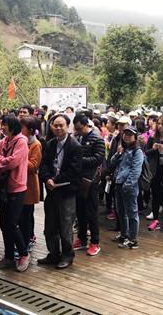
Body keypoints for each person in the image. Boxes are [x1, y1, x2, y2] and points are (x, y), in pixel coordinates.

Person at [38, 114, 82, 268]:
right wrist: (47, 178)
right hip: (51, 191)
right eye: (55, 125)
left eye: (61, 125)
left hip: (66, 191)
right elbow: (42, 165)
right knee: (50, 225)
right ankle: (53, 254)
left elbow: (74, 170)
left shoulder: (75, 146)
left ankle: (67, 256)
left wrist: (54, 180)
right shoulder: (49, 144)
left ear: (68, 126)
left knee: (65, 225)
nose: (58, 128)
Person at [0, 115, 30, 272]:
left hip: (17, 187)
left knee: (12, 223)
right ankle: (8, 256)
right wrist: (3, 161)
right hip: (3, 188)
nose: (2, 127)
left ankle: (23, 253)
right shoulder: (3, 141)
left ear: (12, 125)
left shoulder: (21, 142)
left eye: (5, 124)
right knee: (3, 224)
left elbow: (13, 161)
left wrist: (1, 161)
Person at [72, 114, 105, 256]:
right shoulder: (78, 138)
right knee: (80, 212)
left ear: (86, 125)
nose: (77, 131)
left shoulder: (97, 139)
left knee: (91, 212)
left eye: (79, 128)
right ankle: (82, 238)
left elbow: (98, 159)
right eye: (76, 128)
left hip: (90, 181)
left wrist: (79, 160)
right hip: (79, 180)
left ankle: (95, 242)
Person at [110, 126, 144, 247]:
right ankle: (124, 234)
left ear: (135, 137)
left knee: (132, 213)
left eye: (130, 134)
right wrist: (118, 153)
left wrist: (127, 185)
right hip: (119, 183)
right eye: (125, 134)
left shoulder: (137, 152)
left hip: (129, 186)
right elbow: (112, 163)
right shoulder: (124, 149)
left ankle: (132, 239)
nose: (127, 136)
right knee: (121, 211)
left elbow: (136, 171)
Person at [19, 116, 42, 251]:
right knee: (21, 217)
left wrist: (21, 155)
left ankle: (26, 243)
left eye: (23, 128)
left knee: (26, 217)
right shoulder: (21, 142)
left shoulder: (36, 144)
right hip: (19, 183)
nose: (20, 130)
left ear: (31, 130)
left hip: (29, 185)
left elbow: (33, 166)